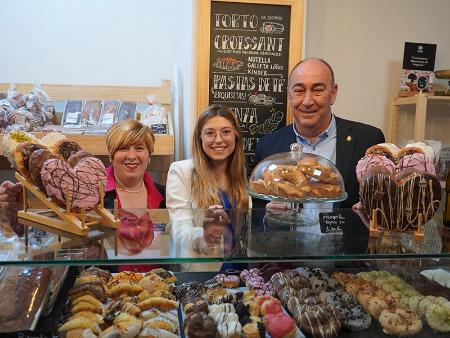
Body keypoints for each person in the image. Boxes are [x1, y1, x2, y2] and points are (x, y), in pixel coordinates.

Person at [253, 58, 385, 209]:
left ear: (333, 93)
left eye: (318, 90)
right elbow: (258, 211)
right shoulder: (267, 146)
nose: (308, 101)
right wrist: (267, 216)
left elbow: (382, 205)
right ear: (289, 95)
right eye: (299, 90)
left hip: (346, 233)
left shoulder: (368, 140)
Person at [166, 103, 250, 271]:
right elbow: (179, 229)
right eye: (210, 133)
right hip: (204, 271)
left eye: (225, 132)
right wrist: (203, 237)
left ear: (236, 136)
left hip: (241, 269)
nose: (218, 139)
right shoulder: (181, 172)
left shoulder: (241, 176)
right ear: (200, 138)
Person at [104, 119, 165, 210]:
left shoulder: (166, 194)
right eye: (123, 148)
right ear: (111, 155)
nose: (132, 156)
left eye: (139, 148)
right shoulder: (93, 193)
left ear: (149, 156)